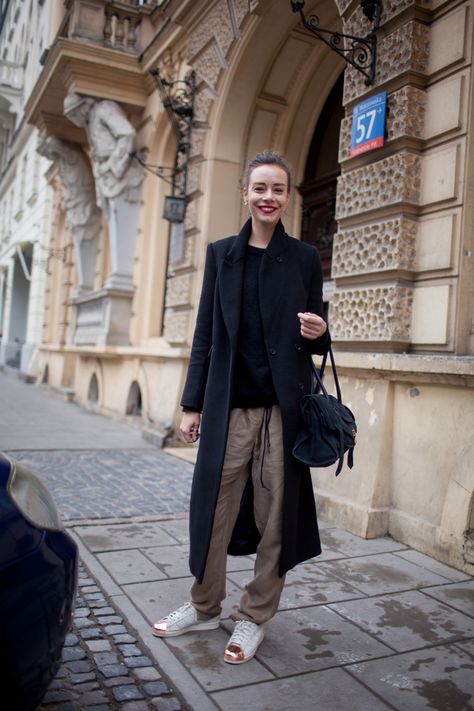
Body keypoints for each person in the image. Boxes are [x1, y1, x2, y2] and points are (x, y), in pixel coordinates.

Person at [152, 150, 330, 664]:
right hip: (228, 406)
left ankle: (253, 617)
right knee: (214, 507)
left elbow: (314, 332)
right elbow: (205, 333)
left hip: (283, 409)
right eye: (260, 188)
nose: (268, 197)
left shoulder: (302, 258)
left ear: (287, 196)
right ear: (245, 194)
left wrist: (322, 332)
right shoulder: (221, 255)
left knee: (277, 515)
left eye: (278, 189)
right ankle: (204, 603)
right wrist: (191, 405)